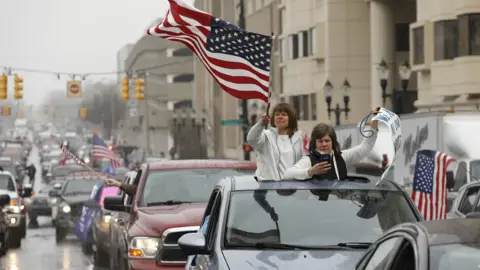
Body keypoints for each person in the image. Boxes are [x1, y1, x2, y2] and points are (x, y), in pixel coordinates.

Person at [283, 107, 380, 180]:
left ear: (333, 142)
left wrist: (375, 119)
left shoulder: (342, 157)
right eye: (320, 141)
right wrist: (310, 171)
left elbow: (366, 146)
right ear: (314, 143)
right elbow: (287, 174)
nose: (324, 144)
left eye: (327, 141)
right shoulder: (308, 160)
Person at [246, 103, 307, 180]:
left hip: (293, 187)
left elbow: (305, 161)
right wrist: (260, 124)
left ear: (291, 118)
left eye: (284, 114)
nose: (280, 117)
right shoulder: (265, 136)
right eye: (277, 114)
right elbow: (251, 140)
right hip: (268, 188)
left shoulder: (300, 137)